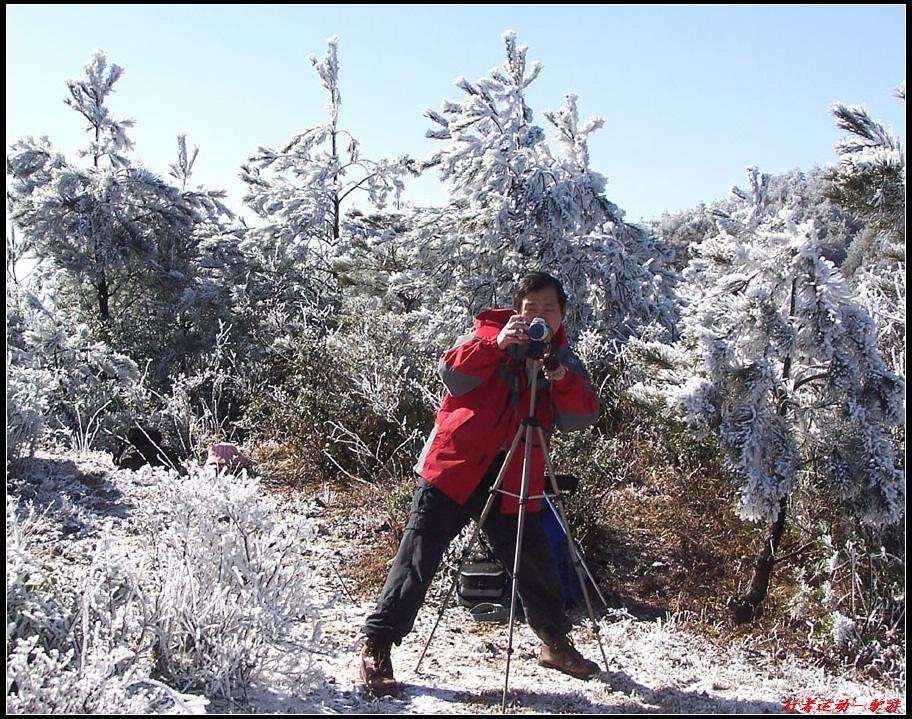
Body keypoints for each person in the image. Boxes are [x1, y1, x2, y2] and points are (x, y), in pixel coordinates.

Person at [359, 272, 601, 698]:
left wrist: (560, 378)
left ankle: (555, 644)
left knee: (534, 560)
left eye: (550, 308)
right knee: (418, 555)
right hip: (455, 467)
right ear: (517, 310)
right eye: (532, 307)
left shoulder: (560, 359)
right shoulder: (488, 335)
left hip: (515, 472)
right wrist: (497, 345)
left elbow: (582, 416)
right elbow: (451, 372)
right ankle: (378, 644)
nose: (540, 316)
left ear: (562, 316)